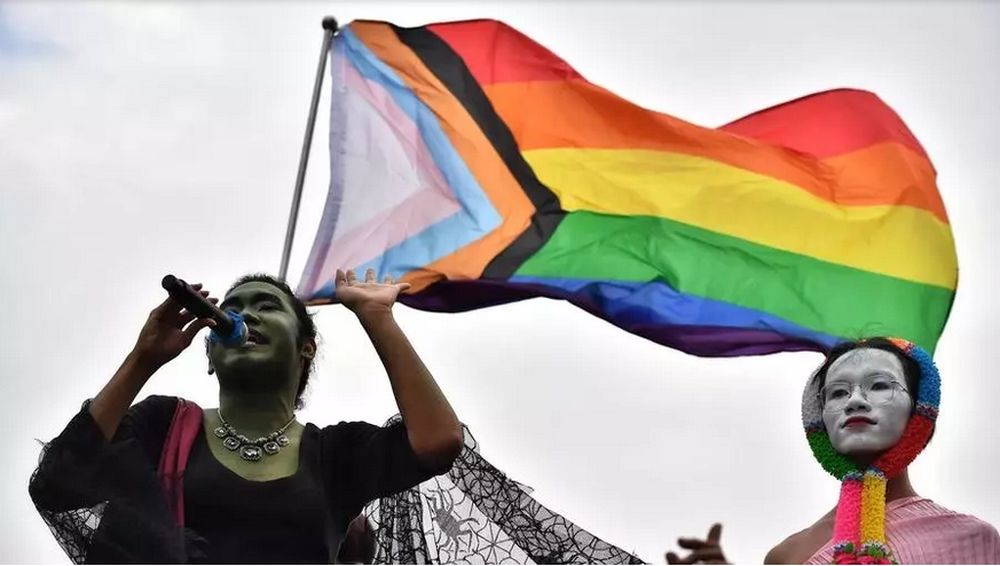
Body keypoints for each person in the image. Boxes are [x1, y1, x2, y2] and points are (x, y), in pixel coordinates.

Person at [29, 268, 463, 563]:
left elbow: (438, 442)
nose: (245, 314)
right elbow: (58, 483)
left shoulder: (335, 455)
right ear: (211, 358)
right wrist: (142, 359)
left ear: (305, 347)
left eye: (268, 306)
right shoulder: (161, 426)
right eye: (233, 308)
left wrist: (376, 316)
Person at [667, 337, 1000, 564]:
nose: (855, 400)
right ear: (820, 420)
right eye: (838, 393)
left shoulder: (971, 541)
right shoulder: (787, 555)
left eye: (880, 385)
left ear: (919, 411)